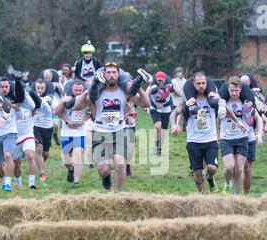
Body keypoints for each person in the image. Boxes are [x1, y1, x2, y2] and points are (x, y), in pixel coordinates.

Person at [74, 62, 150, 192]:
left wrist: (139, 88)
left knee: (120, 164)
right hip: (100, 132)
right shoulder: (96, 92)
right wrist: (87, 90)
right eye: (108, 72)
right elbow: (78, 107)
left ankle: (117, 193)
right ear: (103, 74)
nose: (111, 75)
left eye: (114, 72)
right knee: (103, 169)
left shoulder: (125, 91)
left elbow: (146, 103)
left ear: (118, 75)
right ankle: (106, 176)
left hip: (119, 131)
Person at [170, 72, 226, 194]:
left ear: (207, 83)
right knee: (197, 173)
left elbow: (226, 109)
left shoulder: (213, 98)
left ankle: (210, 178)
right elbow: (174, 114)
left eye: (203, 83)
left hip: (210, 139)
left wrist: (238, 122)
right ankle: (203, 196)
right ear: (193, 84)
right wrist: (174, 125)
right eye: (198, 83)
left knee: (212, 168)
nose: (201, 86)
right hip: (193, 141)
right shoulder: (188, 101)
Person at [54, 80, 91, 188]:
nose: (78, 92)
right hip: (66, 132)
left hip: (80, 133)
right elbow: (57, 112)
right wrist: (67, 121)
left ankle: (76, 181)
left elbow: (90, 112)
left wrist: (83, 121)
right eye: (76, 90)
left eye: (80, 90)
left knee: (78, 154)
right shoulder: (67, 98)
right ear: (72, 89)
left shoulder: (86, 99)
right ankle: (70, 169)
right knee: (66, 159)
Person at [218, 77, 249, 195]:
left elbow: (252, 119)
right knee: (230, 167)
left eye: (236, 90)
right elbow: (219, 118)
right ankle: (227, 183)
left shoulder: (245, 102)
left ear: (240, 89)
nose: (234, 93)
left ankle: (236, 196)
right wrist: (218, 133)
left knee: (240, 169)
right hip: (227, 138)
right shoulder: (223, 103)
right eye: (232, 90)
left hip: (242, 138)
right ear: (228, 89)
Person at [146, 71, 177, 156]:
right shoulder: (152, 85)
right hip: (155, 109)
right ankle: (156, 145)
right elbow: (146, 96)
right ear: (156, 80)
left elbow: (178, 93)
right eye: (158, 80)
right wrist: (150, 89)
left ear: (164, 79)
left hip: (166, 110)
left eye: (161, 80)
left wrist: (175, 89)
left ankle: (160, 148)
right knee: (157, 126)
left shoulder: (168, 85)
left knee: (163, 130)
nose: (160, 82)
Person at [32, 79, 54, 181]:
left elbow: (49, 101)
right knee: (39, 148)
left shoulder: (50, 97)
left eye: (42, 88)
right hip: (35, 126)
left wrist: (41, 99)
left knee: (45, 153)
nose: (40, 90)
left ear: (45, 88)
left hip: (47, 127)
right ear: (35, 88)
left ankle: (41, 164)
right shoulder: (32, 97)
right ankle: (42, 173)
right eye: (38, 88)